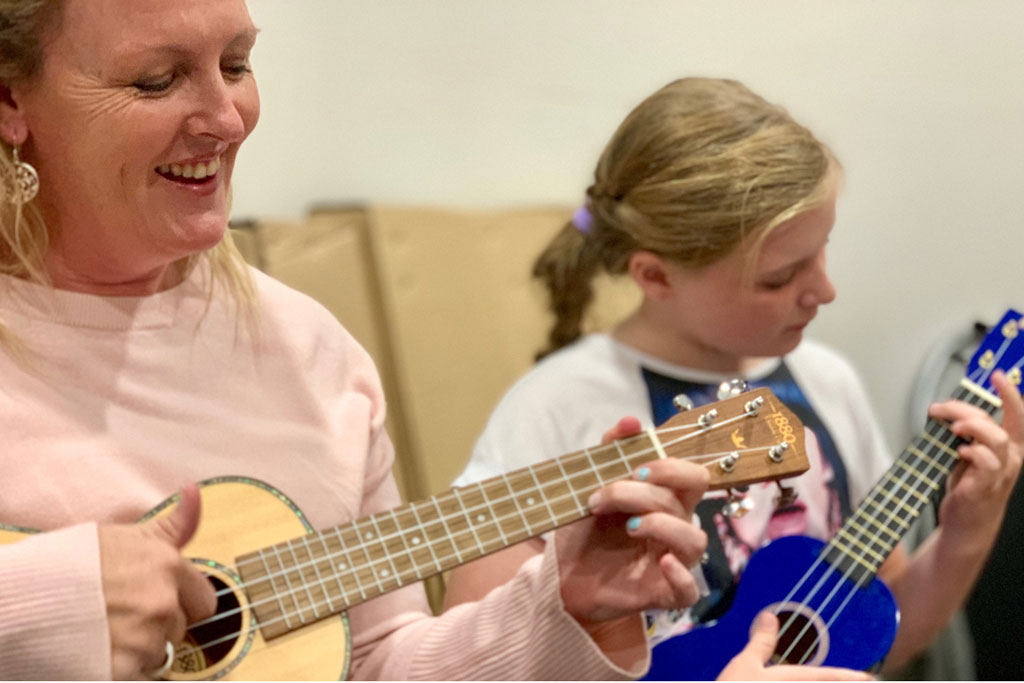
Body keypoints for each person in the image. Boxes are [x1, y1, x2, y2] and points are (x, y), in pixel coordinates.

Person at [0, 2, 731, 679]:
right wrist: (44, 603)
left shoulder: (310, 349)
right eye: (157, 81)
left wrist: (564, 608)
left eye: (236, 64)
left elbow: (379, 658)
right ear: (11, 101)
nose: (226, 119)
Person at [443, 77, 1024, 679]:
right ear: (655, 276)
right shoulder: (553, 409)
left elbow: (878, 642)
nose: (825, 291)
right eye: (779, 278)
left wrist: (967, 531)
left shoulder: (830, 382)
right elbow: (468, 664)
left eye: (823, 250)